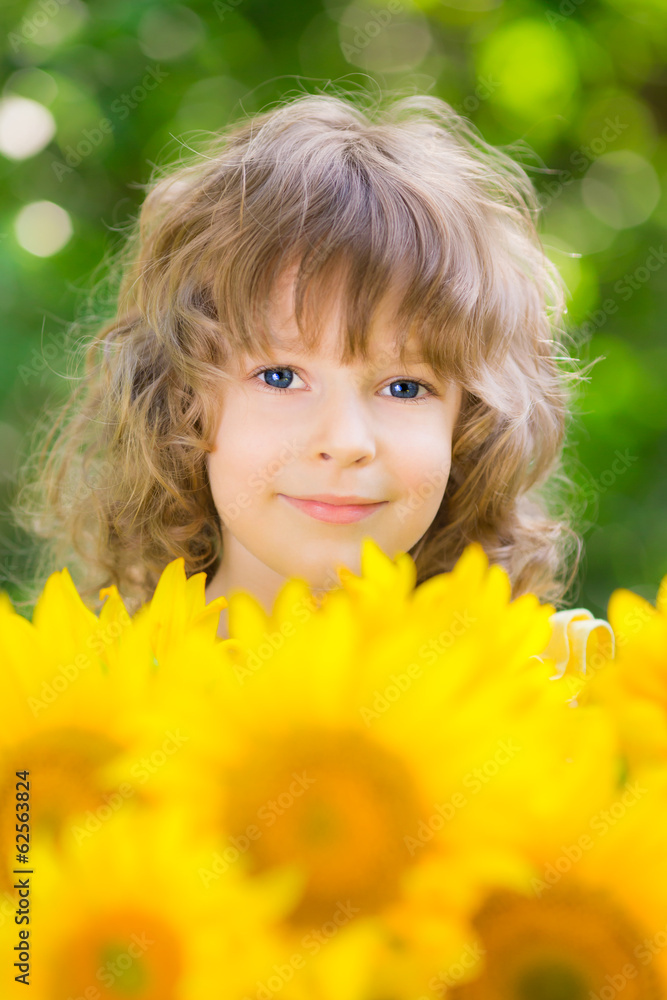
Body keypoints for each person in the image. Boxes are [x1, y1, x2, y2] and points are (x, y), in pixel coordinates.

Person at [11, 89, 613, 670]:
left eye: (405, 387)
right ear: (181, 402)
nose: (347, 440)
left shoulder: (537, 697)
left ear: (471, 425)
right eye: (279, 376)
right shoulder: (75, 715)